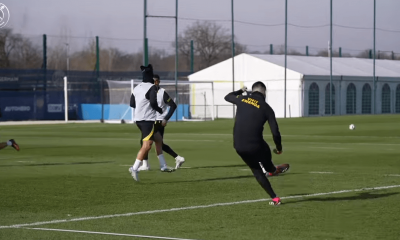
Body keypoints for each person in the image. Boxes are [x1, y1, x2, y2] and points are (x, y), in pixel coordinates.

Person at [224, 81, 289, 206]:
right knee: (264, 148)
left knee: (256, 170)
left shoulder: (242, 99)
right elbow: (275, 132)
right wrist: (279, 148)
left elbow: (227, 97)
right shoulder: (266, 107)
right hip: (256, 145)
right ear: (264, 92)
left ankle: (275, 198)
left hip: (238, 145)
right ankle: (271, 170)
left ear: (253, 91)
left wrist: (240, 91)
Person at [128, 64, 174, 182]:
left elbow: (132, 104)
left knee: (158, 139)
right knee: (147, 145)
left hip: (138, 119)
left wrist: (142, 106)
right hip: (147, 120)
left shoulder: (137, 88)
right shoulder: (152, 87)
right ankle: (134, 168)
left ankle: (163, 166)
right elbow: (153, 103)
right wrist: (159, 110)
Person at [138, 74, 185, 171]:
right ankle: (176, 159)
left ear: (156, 82)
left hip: (158, 121)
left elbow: (173, 105)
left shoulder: (162, 92)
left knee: (147, 141)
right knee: (157, 143)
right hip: (150, 120)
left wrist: (166, 118)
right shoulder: (148, 92)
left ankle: (146, 165)